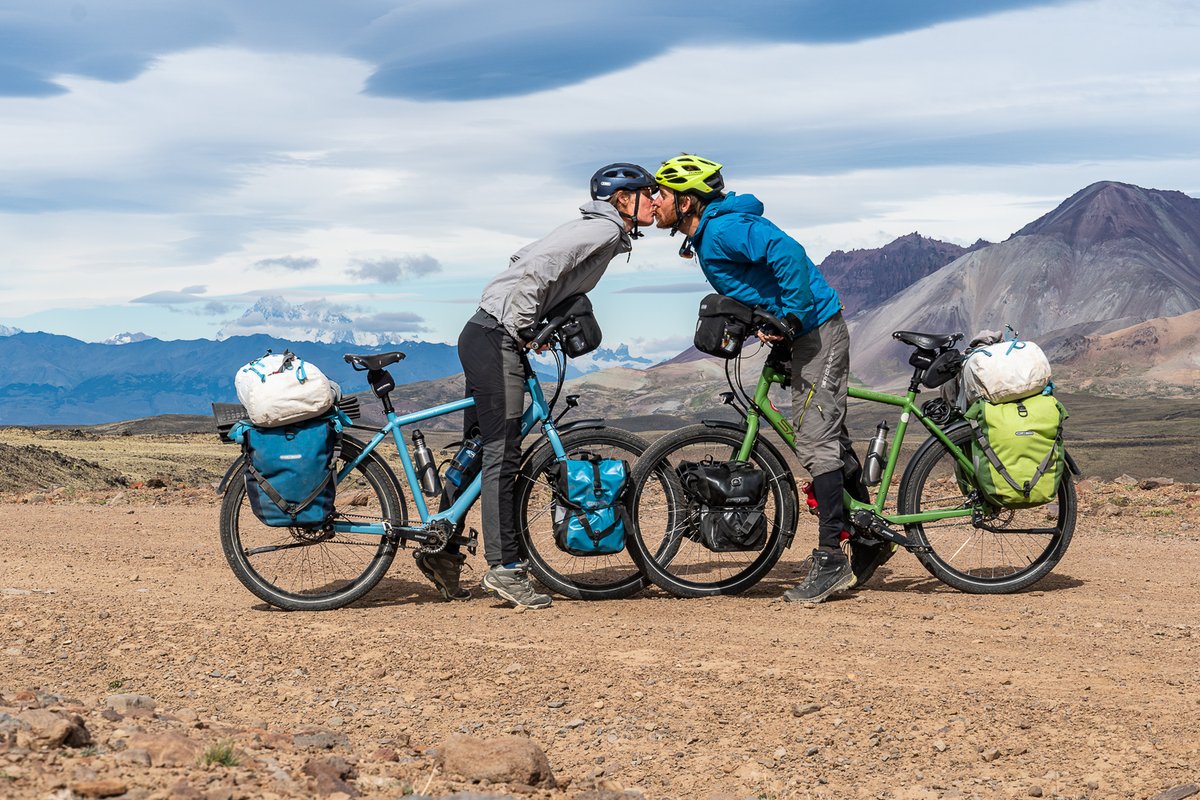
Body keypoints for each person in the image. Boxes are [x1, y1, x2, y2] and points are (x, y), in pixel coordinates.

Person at [415, 163, 658, 609]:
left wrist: (529, 321)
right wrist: (524, 324)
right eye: (649, 192)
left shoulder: (594, 228)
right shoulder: (603, 230)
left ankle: (442, 550)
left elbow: (521, 258)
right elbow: (537, 269)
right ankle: (505, 568)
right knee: (502, 453)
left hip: (486, 331)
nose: (656, 201)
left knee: (479, 448)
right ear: (624, 199)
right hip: (497, 337)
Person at [650, 154, 886, 603]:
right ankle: (869, 538)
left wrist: (792, 314)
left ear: (686, 201)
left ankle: (831, 560)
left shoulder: (722, 229)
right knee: (825, 435)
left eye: (661, 193)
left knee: (815, 440)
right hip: (798, 334)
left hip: (815, 329)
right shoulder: (708, 233)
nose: (654, 201)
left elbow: (787, 252)